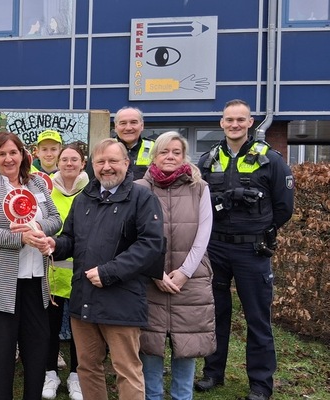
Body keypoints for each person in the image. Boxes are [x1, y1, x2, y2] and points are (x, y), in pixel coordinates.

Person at [45, 138, 165, 400]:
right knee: (87, 367)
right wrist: (54, 244)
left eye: (113, 161)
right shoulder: (84, 199)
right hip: (84, 301)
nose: (107, 167)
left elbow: (151, 246)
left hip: (122, 302)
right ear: (92, 166)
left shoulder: (142, 198)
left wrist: (109, 272)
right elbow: (71, 240)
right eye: (101, 162)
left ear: (126, 163)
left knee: (126, 369)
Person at [195, 99, 294, 400]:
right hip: (216, 249)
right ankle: (213, 373)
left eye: (240, 119)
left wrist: (260, 230)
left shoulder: (270, 159)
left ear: (250, 122)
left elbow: (284, 207)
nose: (234, 124)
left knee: (257, 318)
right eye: (229, 120)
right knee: (216, 314)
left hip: (252, 251)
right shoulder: (208, 159)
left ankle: (261, 384)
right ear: (221, 124)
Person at [0, 132, 62, 400]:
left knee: (37, 348)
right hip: (0, 284)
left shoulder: (38, 184)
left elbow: (55, 219)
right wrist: (20, 238)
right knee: (1, 355)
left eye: (13, 152)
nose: (8, 158)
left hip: (36, 281)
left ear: (22, 155)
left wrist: (36, 228)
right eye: (2, 154)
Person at [135, 132, 216, 400]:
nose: (170, 156)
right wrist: (154, 271)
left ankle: (183, 396)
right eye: (164, 151)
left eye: (176, 152)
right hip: (149, 280)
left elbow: (203, 234)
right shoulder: (139, 189)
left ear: (184, 156)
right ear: (154, 156)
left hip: (191, 280)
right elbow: (133, 236)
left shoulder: (199, 187)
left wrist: (185, 272)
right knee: (150, 345)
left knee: (187, 344)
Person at [42, 143, 89, 400]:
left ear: (82, 163)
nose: (69, 164)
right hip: (50, 276)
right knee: (48, 329)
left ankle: (76, 376)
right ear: (57, 163)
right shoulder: (46, 191)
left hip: (81, 277)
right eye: (64, 160)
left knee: (79, 331)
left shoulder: (92, 191)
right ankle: (50, 374)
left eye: (74, 159)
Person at [85, 107, 155, 180]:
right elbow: (90, 183)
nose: (128, 128)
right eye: (123, 123)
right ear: (115, 127)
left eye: (133, 122)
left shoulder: (155, 148)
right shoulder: (101, 149)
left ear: (142, 126)